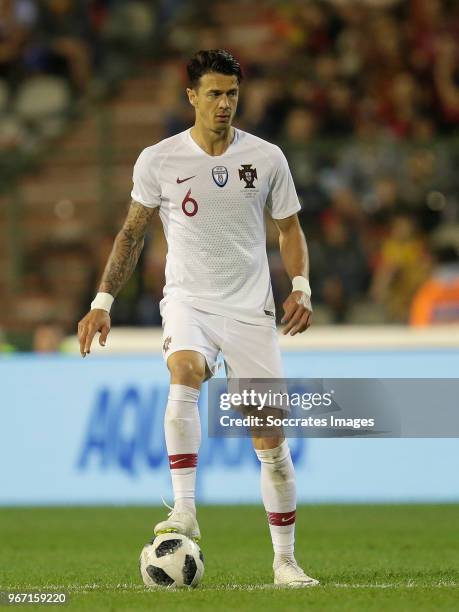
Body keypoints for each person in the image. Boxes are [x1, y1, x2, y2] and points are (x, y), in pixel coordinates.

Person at [77, 49, 318, 587]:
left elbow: (290, 229)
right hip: (189, 302)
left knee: (272, 448)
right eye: (213, 93)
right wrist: (102, 301)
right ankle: (185, 509)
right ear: (191, 96)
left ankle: (285, 562)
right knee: (183, 371)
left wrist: (300, 285)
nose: (224, 104)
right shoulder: (159, 160)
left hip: (251, 310)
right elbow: (132, 233)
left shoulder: (267, 158)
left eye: (232, 93)